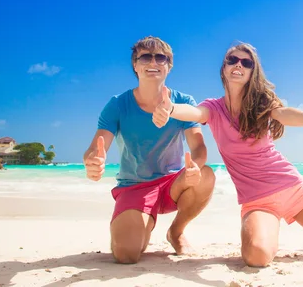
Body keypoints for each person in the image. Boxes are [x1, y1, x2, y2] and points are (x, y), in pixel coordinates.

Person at [152, 42, 303, 267]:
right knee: (256, 257)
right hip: (258, 201)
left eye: (246, 62)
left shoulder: (261, 103)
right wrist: (171, 109)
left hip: (292, 188)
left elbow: (283, 114)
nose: (238, 65)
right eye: (232, 60)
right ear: (224, 67)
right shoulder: (214, 108)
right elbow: (195, 112)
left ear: (253, 71)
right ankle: (273, 225)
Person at [83, 36, 216, 264]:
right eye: (145, 56)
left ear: (169, 66)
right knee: (127, 255)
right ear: (135, 65)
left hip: (172, 184)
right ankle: (142, 219)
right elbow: (96, 148)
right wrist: (93, 161)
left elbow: (199, 146)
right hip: (134, 187)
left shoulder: (183, 101)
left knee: (206, 176)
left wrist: (195, 165)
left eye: (160, 57)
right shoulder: (117, 105)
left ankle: (176, 232)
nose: (152, 62)